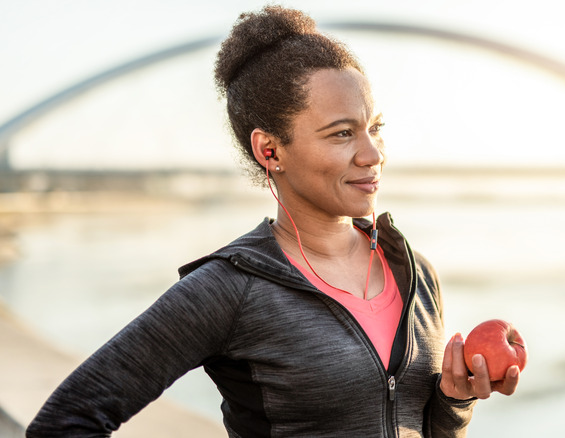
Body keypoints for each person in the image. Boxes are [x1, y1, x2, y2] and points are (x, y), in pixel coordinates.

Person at [26, 5, 519, 437]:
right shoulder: (229, 288)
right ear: (270, 150)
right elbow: (67, 421)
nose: (372, 154)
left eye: (375, 128)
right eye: (342, 133)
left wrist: (454, 402)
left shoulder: (417, 273)